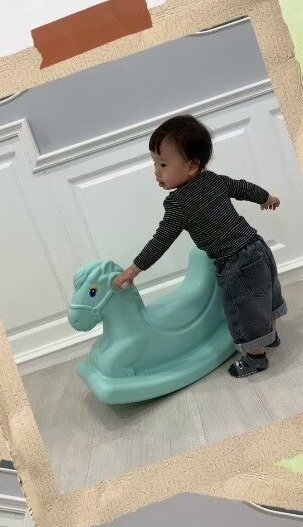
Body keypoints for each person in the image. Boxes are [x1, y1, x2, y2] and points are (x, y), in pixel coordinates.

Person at [112, 114, 287, 378]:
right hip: (257, 246)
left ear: (192, 165)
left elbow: (161, 240)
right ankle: (270, 336)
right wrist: (266, 197)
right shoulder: (214, 179)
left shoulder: (178, 204)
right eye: (154, 163)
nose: (156, 172)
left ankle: (256, 357)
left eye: (163, 164)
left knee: (243, 308)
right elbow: (243, 188)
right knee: (265, 294)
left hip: (234, 262)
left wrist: (134, 269)